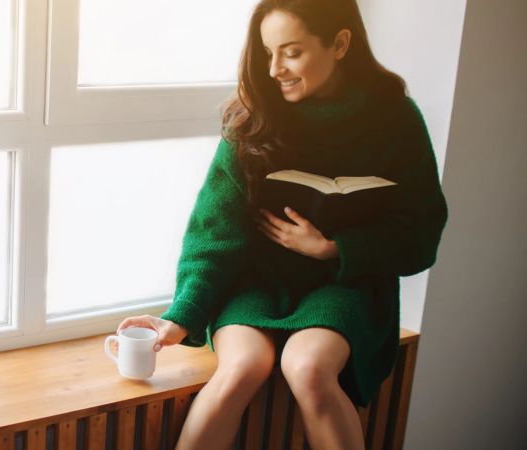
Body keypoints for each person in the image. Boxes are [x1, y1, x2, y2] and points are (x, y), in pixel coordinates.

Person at [115, 0, 448, 449]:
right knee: (240, 369)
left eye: (291, 52)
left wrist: (336, 248)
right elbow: (214, 235)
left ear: (341, 43)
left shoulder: (396, 119)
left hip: (346, 283)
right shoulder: (252, 118)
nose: (274, 69)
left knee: (309, 369)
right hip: (255, 282)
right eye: (267, 52)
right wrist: (182, 317)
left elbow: (422, 233)